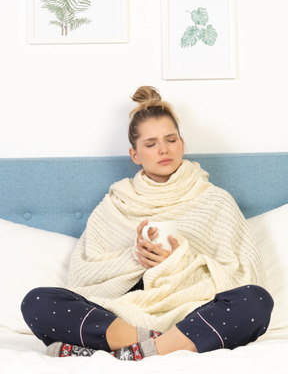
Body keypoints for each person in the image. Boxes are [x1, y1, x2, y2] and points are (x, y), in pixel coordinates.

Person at [21, 86, 273, 360]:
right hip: (120, 315)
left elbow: (242, 275)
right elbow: (84, 277)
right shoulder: (116, 204)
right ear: (135, 155)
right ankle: (155, 345)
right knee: (37, 302)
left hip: (191, 313)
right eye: (151, 144)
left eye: (171, 140)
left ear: (182, 144)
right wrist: (135, 257)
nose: (163, 150)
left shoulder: (215, 200)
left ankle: (123, 353)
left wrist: (179, 259)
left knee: (256, 301)